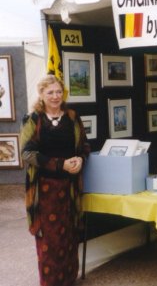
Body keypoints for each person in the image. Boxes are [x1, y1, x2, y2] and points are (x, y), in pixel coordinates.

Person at [19, 75, 90, 286]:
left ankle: (69, 280)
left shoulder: (72, 117)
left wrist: (80, 158)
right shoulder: (33, 119)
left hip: (69, 189)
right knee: (49, 240)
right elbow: (26, 153)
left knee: (69, 236)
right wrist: (60, 164)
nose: (55, 96)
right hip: (45, 190)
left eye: (59, 91)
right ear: (41, 94)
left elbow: (84, 146)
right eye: (50, 92)